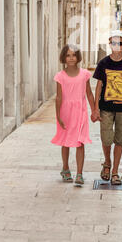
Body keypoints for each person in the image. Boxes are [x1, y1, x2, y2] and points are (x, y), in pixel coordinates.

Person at [92, 30, 122, 185]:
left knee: (119, 140)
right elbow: (98, 86)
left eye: (119, 43)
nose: (116, 46)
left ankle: (115, 172)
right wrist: (95, 108)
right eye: (113, 43)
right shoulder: (103, 63)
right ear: (110, 44)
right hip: (105, 107)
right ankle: (107, 163)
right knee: (106, 139)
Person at [52, 44, 95, 185]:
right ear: (64, 57)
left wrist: (94, 110)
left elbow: (89, 93)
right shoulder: (60, 76)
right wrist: (58, 116)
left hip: (80, 111)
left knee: (80, 142)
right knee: (65, 142)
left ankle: (80, 174)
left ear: (78, 57)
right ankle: (65, 168)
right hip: (65, 112)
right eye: (68, 55)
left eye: (74, 55)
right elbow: (58, 97)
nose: (71, 58)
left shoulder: (84, 75)